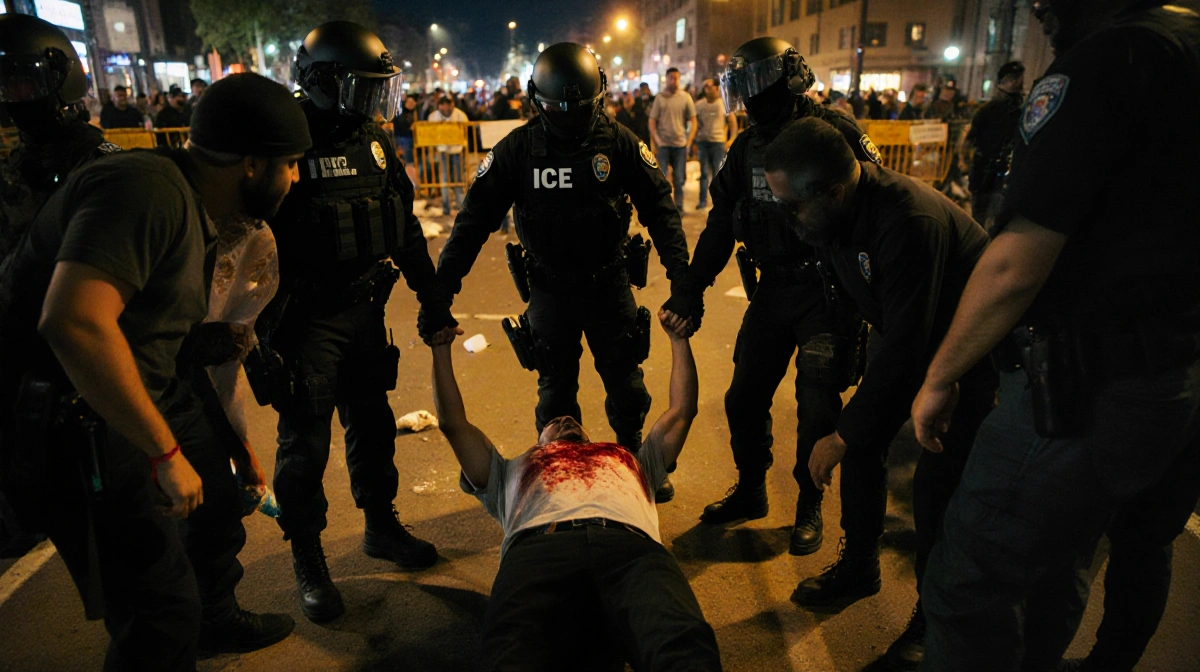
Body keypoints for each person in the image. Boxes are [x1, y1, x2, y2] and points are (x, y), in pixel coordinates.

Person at [911, 3, 1200, 670]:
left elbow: (1017, 261)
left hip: (1093, 380)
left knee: (971, 579)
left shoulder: (1109, 61)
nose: (1039, 13)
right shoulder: (1185, 45)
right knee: (1110, 548)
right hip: (1179, 369)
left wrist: (941, 375)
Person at [0, 72, 310, 670]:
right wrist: (165, 455)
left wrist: (233, 444)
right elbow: (76, 323)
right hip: (78, 417)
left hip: (145, 389)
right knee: (160, 610)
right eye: (290, 164)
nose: (293, 180)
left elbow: (166, 344)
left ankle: (214, 618)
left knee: (220, 499)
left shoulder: (196, 205)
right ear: (250, 163)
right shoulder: (146, 189)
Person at [764, 116, 998, 669]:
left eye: (792, 205)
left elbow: (908, 348)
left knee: (936, 491)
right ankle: (860, 565)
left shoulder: (907, 220)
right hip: (918, 346)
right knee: (864, 449)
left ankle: (932, 619)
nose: (786, 217)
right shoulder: (833, 217)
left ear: (833, 189)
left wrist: (841, 435)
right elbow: (854, 301)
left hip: (971, 360)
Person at [434, 42, 700, 503]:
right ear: (538, 102)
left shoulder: (617, 142)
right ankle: (558, 469)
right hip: (550, 288)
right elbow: (473, 221)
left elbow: (661, 208)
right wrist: (442, 291)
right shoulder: (518, 150)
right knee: (556, 390)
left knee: (626, 384)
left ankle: (636, 458)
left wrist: (683, 280)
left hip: (608, 281)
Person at [259, 21, 456, 624]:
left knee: (371, 426)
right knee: (306, 445)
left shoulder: (370, 138)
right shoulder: (284, 137)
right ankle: (309, 556)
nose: (375, 103)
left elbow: (402, 224)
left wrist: (433, 298)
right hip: (306, 319)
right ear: (322, 83)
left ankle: (380, 526)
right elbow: (246, 238)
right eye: (363, 89)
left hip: (365, 311)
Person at [428, 310, 722, 671]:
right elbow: (452, 424)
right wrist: (439, 349)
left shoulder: (630, 459)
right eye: (554, 422)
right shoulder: (510, 470)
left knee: (685, 649)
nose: (566, 419)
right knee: (509, 656)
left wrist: (679, 340)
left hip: (630, 551)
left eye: (572, 422)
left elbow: (682, 411)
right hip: (539, 551)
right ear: (539, 442)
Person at [683, 37, 877, 560]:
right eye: (738, 89)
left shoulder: (834, 134)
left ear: (787, 78)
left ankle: (808, 505)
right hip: (772, 289)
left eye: (753, 86)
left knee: (816, 407)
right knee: (742, 398)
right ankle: (751, 489)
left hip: (827, 292)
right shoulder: (748, 146)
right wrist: (690, 288)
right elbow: (722, 220)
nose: (746, 101)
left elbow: (878, 207)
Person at [0, 13, 122, 557]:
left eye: (23, 80)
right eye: (4, 83)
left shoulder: (98, 164)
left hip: (92, 348)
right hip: (31, 352)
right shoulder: (16, 166)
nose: (14, 96)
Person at [960, 61, 1025, 225]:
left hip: (1004, 170)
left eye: (1019, 78)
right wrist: (963, 160)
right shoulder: (988, 110)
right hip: (985, 169)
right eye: (1014, 78)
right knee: (981, 216)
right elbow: (969, 138)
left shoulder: (1020, 111)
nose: (1018, 82)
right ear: (1003, 81)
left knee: (995, 217)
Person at [648, 67, 696, 212]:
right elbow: (652, 120)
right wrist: (657, 139)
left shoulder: (685, 97)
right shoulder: (660, 98)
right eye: (671, 78)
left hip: (680, 145)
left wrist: (689, 141)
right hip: (664, 145)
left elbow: (693, 120)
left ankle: (679, 207)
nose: (674, 81)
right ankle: (662, 207)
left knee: (679, 179)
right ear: (666, 78)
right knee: (661, 178)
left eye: (677, 78)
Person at [692, 77, 737, 210]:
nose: (707, 88)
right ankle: (702, 201)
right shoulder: (699, 105)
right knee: (704, 173)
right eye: (705, 86)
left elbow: (733, 123)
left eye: (710, 86)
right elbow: (694, 123)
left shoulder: (724, 104)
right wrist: (694, 139)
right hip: (703, 143)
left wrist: (731, 140)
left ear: (717, 88)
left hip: (718, 143)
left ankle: (718, 202)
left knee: (717, 174)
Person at [428, 95, 469, 215]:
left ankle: (459, 205)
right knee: (445, 178)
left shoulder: (460, 115)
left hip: (457, 149)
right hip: (442, 150)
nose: (445, 109)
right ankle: (446, 207)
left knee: (458, 178)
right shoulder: (434, 116)